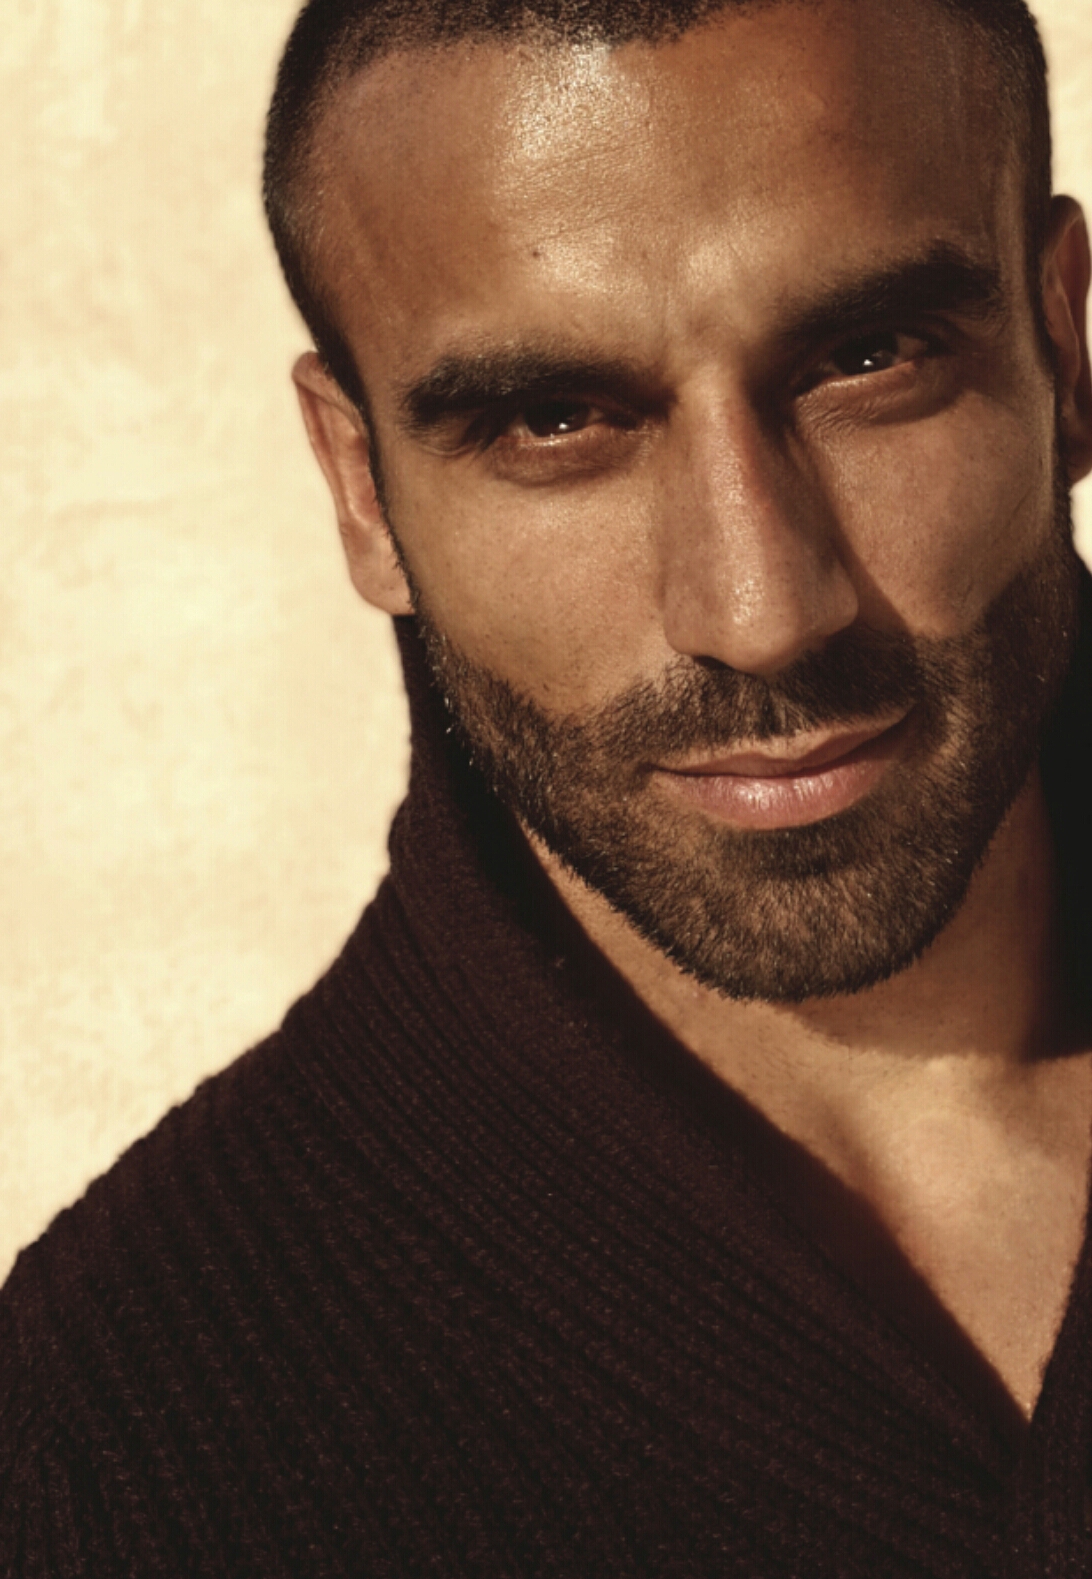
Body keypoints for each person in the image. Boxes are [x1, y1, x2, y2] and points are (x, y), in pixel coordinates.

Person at [3, 0, 1091, 1571]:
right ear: (361, 490)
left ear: (1066, 341)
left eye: (867, 359)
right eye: (553, 419)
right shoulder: (105, 1449)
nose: (760, 608)